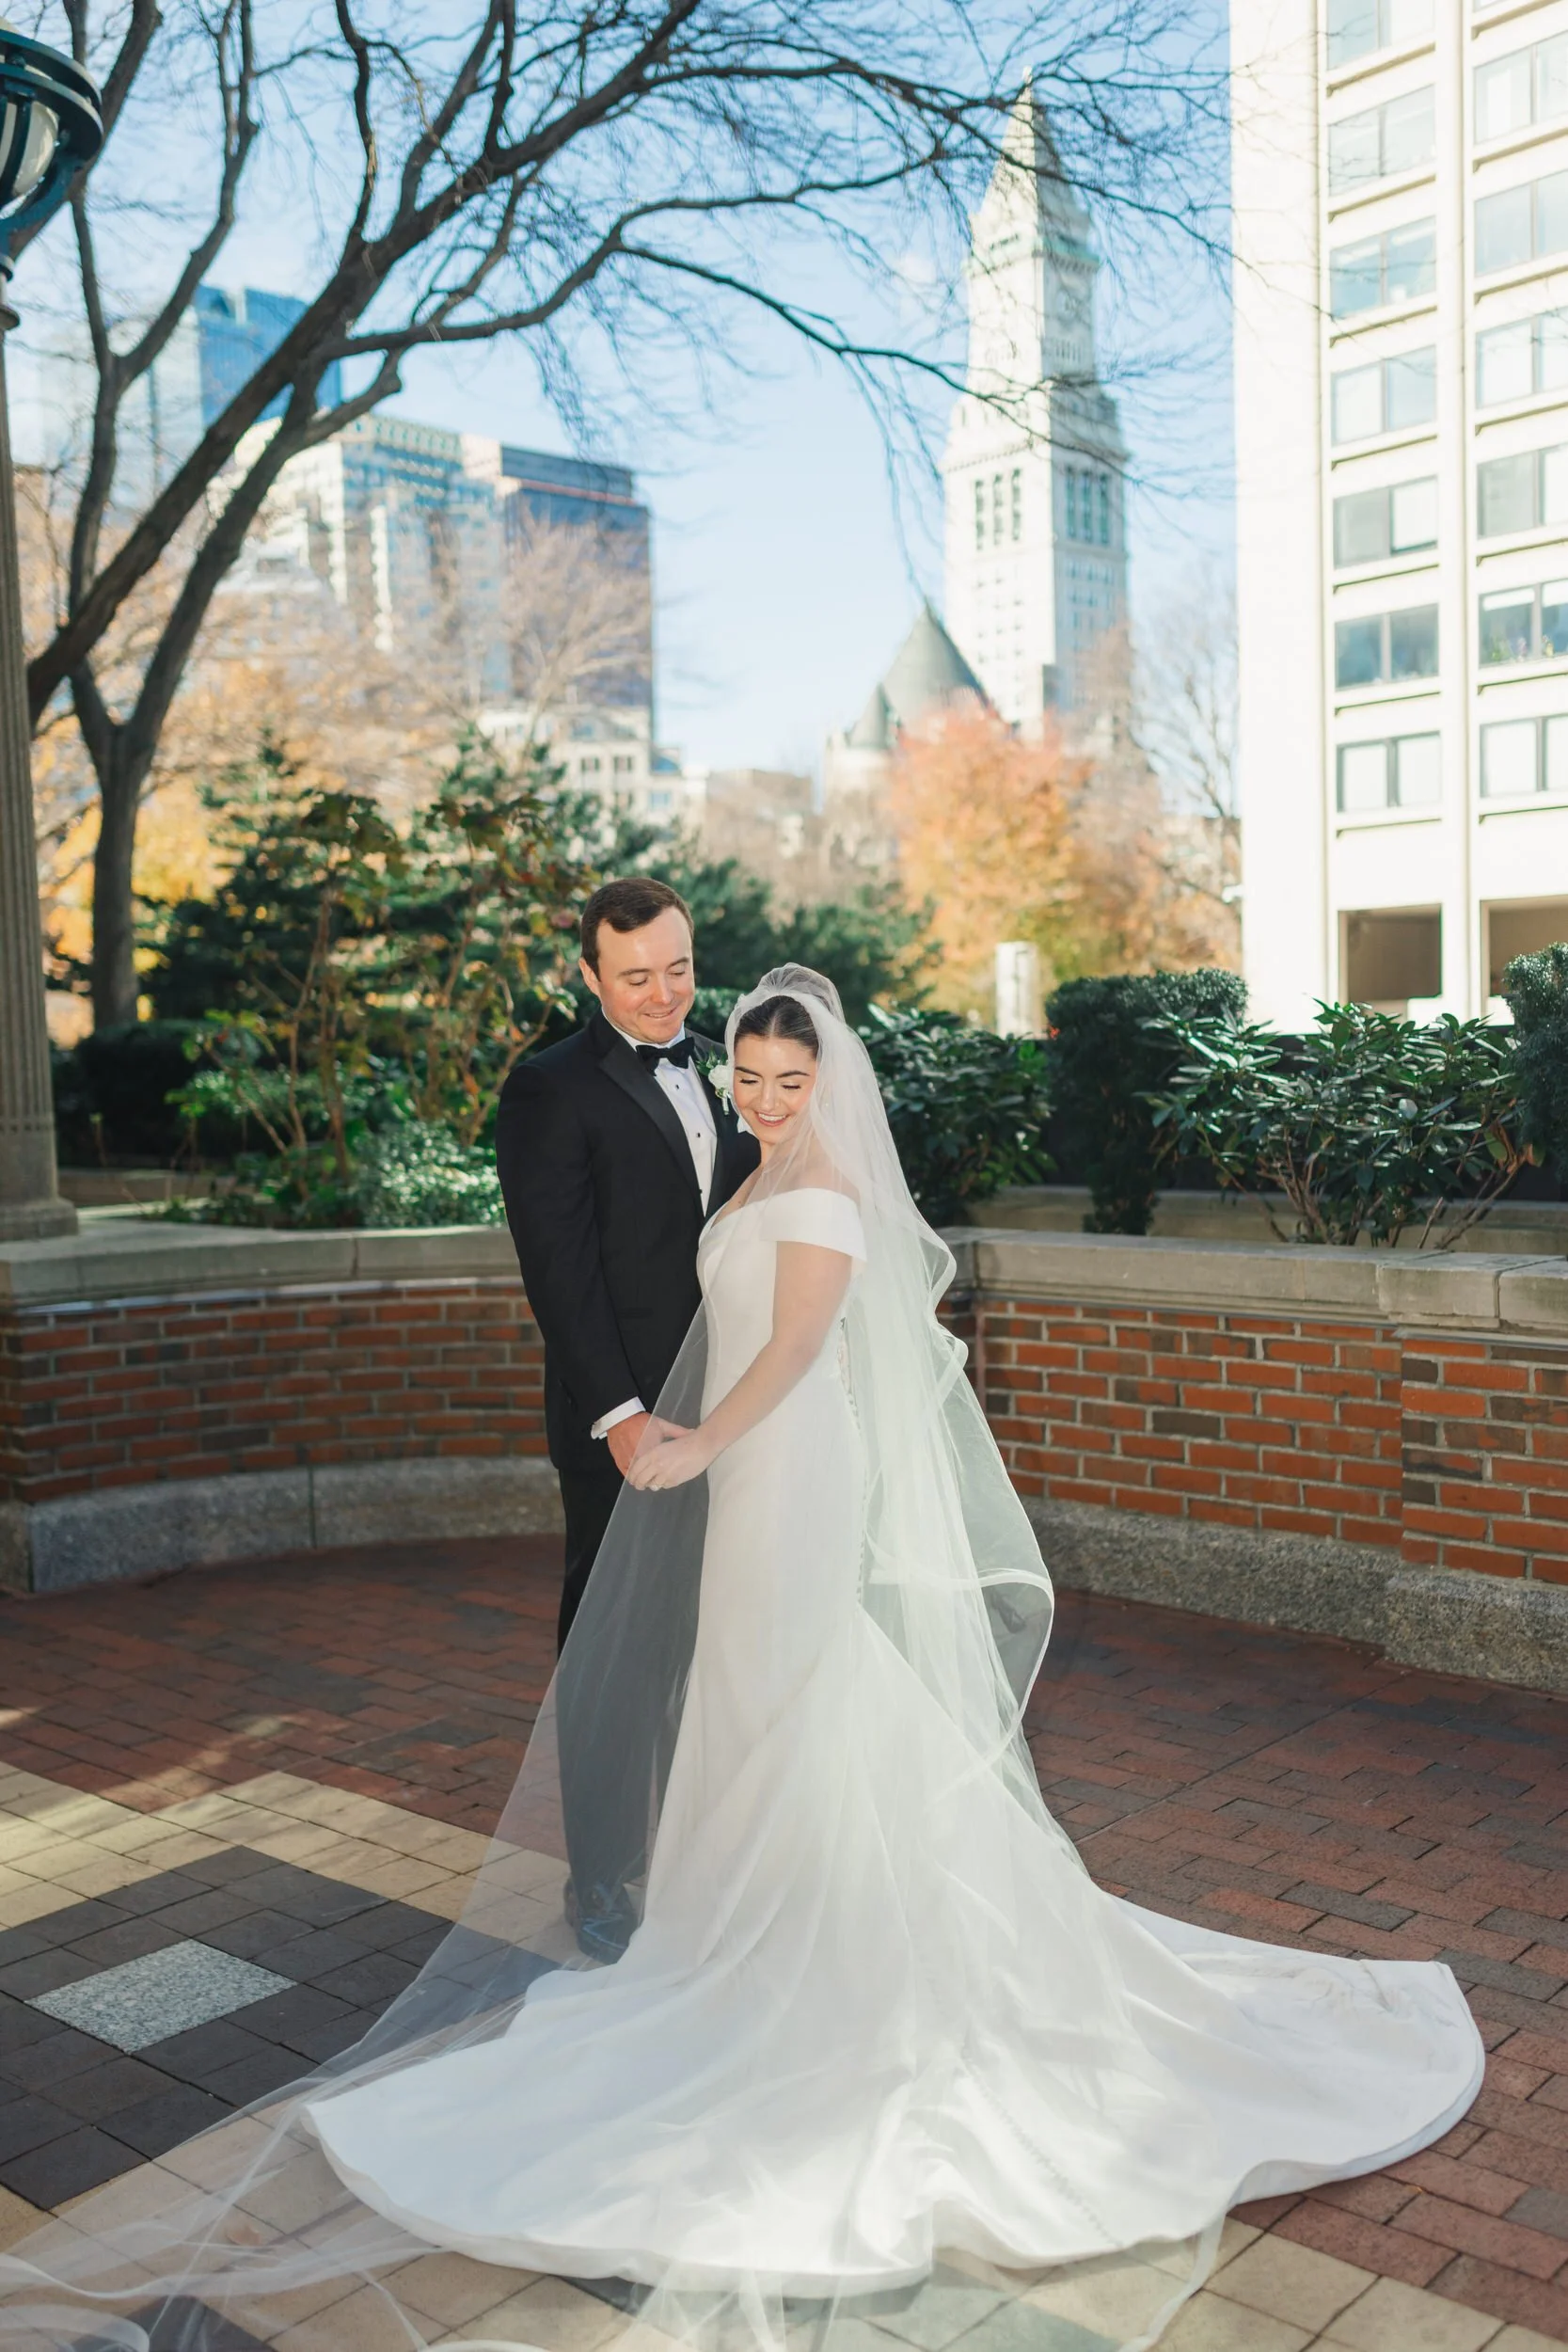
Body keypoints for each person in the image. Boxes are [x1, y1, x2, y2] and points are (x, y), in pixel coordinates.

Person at [0, 967, 1485, 2352]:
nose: (767, 1100)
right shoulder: (756, 1172)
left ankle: (828, 1951)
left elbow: (788, 1353)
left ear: (826, 1083)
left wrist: (703, 1433)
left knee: (797, 1685)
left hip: (783, 1463)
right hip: (744, 1478)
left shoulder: (824, 1194)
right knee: (748, 1693)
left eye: (789, 1080)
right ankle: (726, 1932)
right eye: (751, 1077)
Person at [495, 878, 758, 1958]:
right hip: (628, 1428)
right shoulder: (548, 1088)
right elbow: (559, 1273)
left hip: (737, 1416)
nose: (662, 996)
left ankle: (712, 1857)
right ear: (591, 975)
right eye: (636, 976)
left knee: (723, 1641)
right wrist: (621, 1418)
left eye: (678, 969)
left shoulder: (739, 1066)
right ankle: (601, 1878)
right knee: (613, 1657)